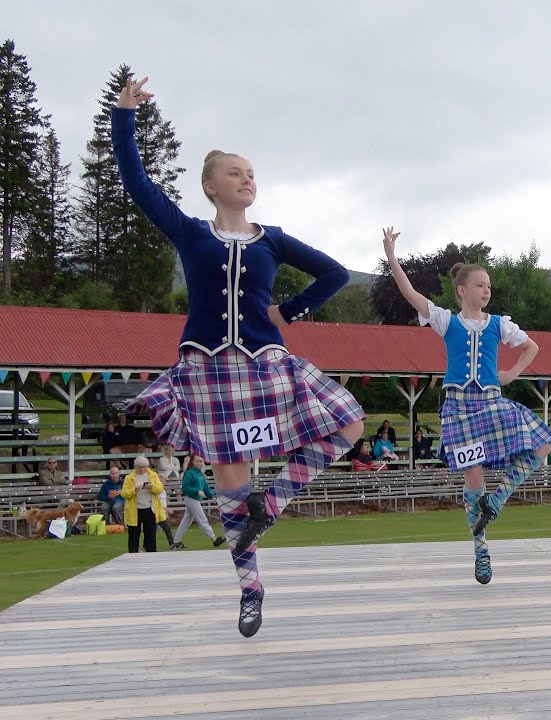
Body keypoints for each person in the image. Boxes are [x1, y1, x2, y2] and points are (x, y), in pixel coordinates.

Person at [112, 76, 366, 637]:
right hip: (208, 370)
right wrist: (124, 117)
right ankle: (250, 589)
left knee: (348, 423)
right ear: (210, 186)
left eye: (252, 173)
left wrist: (288, 312)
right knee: (229, 480)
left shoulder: (272, 238)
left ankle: (269, 504)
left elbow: (336, 273)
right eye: (235, 172)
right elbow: (137, 185)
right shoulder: (191, 233)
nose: (247, 179)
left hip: (266, 363)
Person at [383, 226, 551, 585]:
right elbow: (412, 295)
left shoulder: (499, 325)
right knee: (472, 475)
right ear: (462, 290)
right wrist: (393, 259)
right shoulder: (447, 320)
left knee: (543, 443)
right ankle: (481, 550)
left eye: (489, 285)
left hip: (492, 401)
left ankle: (499, 498)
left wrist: (510, 375)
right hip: (459, 407)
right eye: (480, 284)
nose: (487, 289)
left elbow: (532, 347)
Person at [174, 455, 225, 549]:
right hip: (192, 499)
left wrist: (212, 496)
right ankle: (214, 539)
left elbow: (205, 487)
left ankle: (176, 541)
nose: (200, 463)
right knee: (202, 520)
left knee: (186, 522)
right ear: (192, 462)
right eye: (197, 461)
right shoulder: (189, 473)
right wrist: (196, 491)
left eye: (201, 461)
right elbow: (185, 489)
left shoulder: (199, 474)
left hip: (194, 499)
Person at [121, 456, 165, 553]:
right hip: (135, 509)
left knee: (151, 535)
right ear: (135, 467)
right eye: (140, 467)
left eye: (144, 467)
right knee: (133, 535)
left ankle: (152, 554)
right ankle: (133, 554)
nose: (142, 469)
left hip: (150, 508)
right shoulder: (129, 477)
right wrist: (134, 490)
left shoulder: (153, 475)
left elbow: (160, 489)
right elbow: (124, 493)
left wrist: (151, 487)